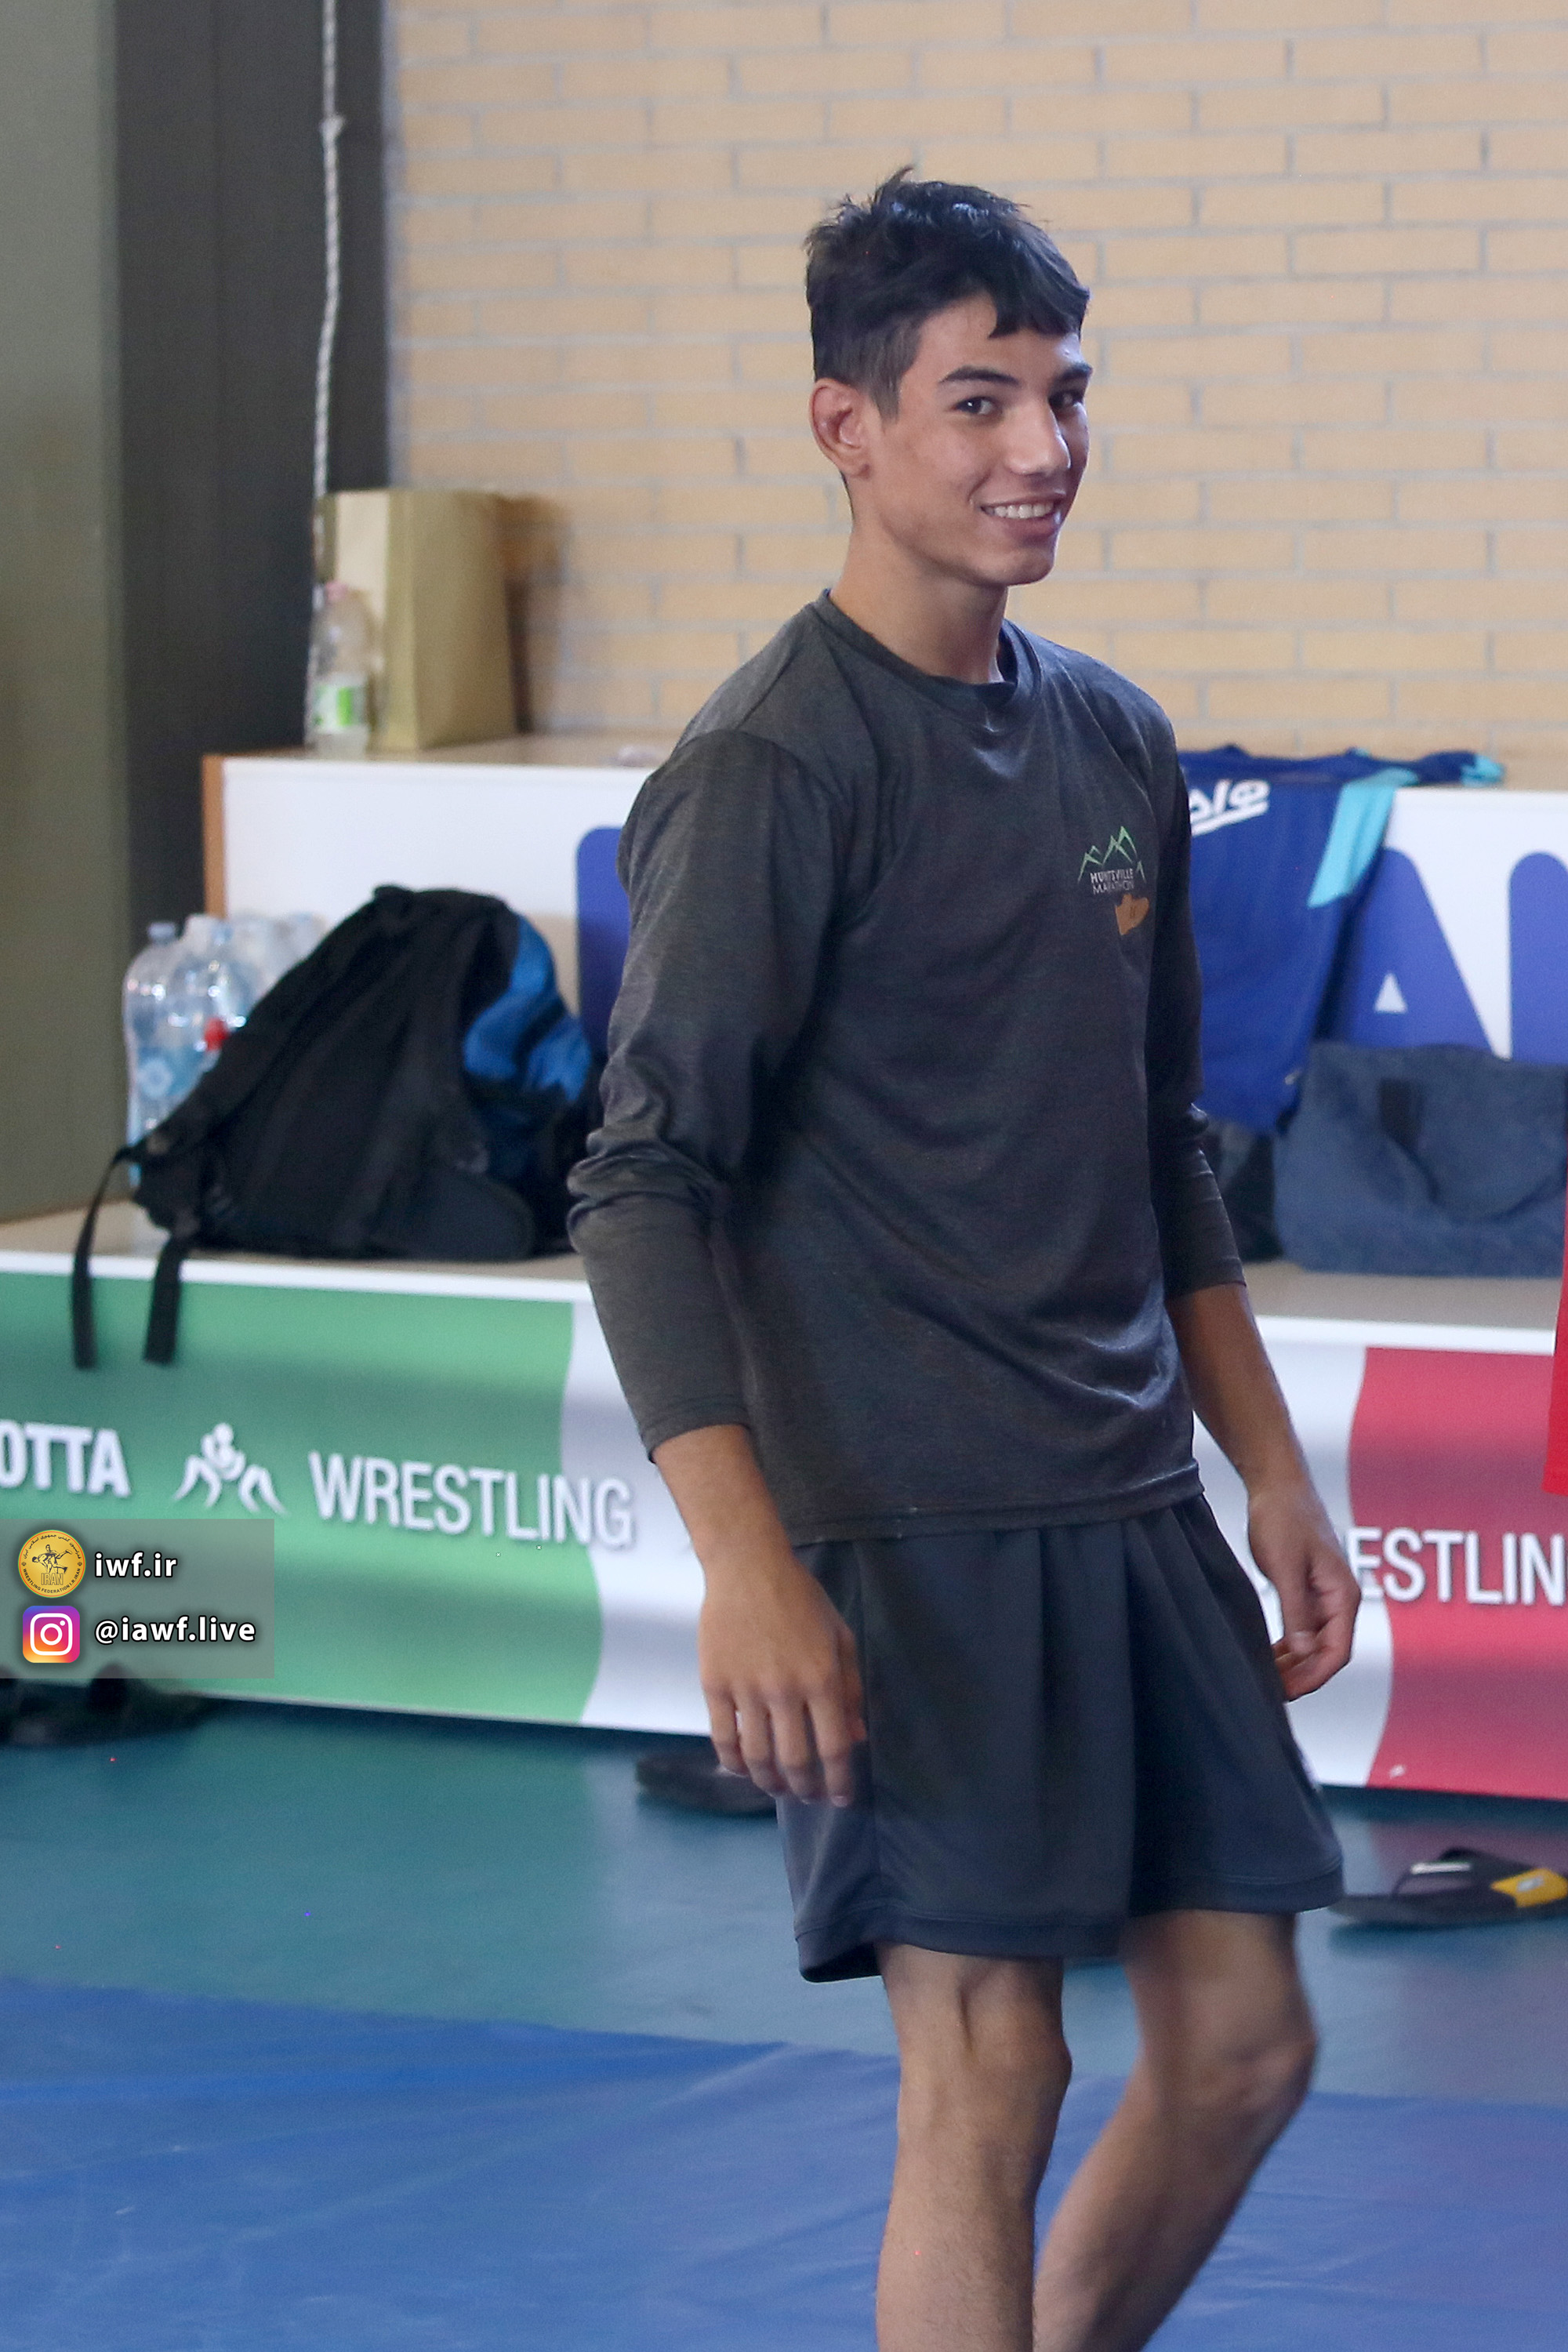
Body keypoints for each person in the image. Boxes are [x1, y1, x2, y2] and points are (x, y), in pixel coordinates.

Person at [568, 171, 1359, 2352]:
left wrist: (1271, 1471)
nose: (1043, 448)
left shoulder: (1113, 735)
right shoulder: (769, 766)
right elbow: (641, 1184)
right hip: (906, 1530)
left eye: (1066, 395)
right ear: (847, 427)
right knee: (991, 2073)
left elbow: (1160, 1152)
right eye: (979, 401)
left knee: (1245, 2048)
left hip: (1129, 1501)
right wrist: (749, 1567)